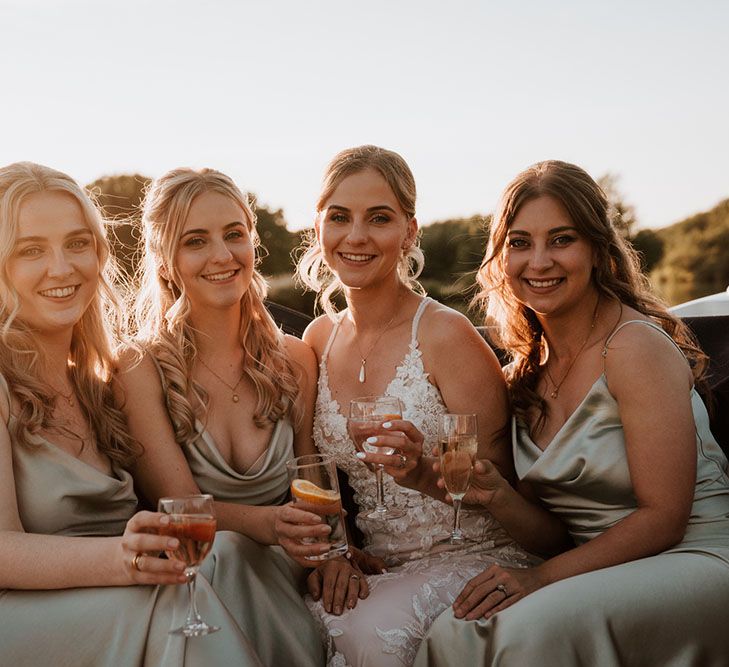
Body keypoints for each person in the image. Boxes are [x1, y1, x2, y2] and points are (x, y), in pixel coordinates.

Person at [415, 160, 729, 666]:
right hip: (594, 567)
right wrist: (497, 495)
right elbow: (556, 533)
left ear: (598, 251)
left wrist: (539, 578)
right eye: (520, 242)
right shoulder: (526, 373)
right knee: (457, 630)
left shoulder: (633, 348)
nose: (539, 261)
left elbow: (665, 519)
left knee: (530, 633)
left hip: (694, 556)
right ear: (500, 258)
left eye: (561, 239)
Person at [0, 161, 273, 666]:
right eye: (31, 250)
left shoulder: (99, 382)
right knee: (171, 606)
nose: (62, 268)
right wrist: (123, 559)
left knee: (219, 562)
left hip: (117, 595)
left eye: (78, 243)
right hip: (20, 615)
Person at [289, 145, 533, 666]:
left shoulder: (447, 336)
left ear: (410, 232)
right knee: (297, 617)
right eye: (340, 217)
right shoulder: (317, 338)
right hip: (376, 565)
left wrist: (424, 470)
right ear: (318, 227)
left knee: (369, 633)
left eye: (379, 218)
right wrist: (336, 553)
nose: (356, 236)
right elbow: (316, 478)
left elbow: (507, 491)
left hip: (471, 554)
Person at [115, 167, 325, 666]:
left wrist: (332, 554)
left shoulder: (295, 359)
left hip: (287, 562)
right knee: (226, 552)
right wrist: (269, 523)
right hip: (202, 571)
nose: (222, 255)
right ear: (166, 262)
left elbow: (312, 482)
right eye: (195, 241)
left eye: (234, 235)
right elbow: (181, 506)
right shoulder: (139, 367)